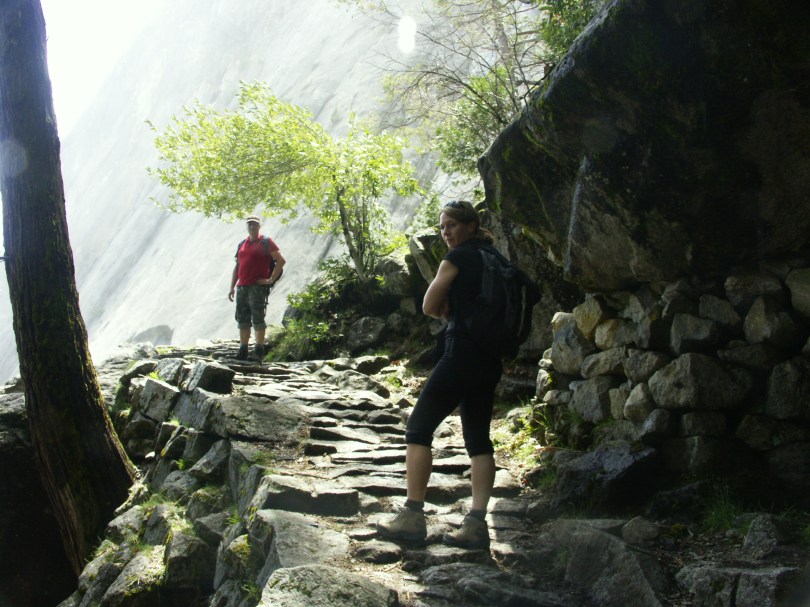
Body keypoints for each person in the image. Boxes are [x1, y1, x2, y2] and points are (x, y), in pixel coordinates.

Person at [377, 200, 503, 549]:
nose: (446, 232)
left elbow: (428, 305)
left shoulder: (458, 257)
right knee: (479, 440)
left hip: (460, 354)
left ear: (471, 225)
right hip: (490, 359)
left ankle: (412, 516)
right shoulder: (495, 258)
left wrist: (444, 312)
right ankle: (476, 524)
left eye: (452, 225)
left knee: (418, 429)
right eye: (442, 226)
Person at [228, 215, 285, 360]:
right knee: (242, 319)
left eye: (254, 224)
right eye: (249, 224)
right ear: (247, 226)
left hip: (257, 287)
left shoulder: (266, 242)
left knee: (258, 318)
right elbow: (237, 267)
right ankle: (243, 351)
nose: (252, 226)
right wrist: (232, 287)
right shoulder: (242, 244)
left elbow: (281, 260)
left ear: (259, 226)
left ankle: (259, 352)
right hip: (242, 287)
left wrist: (270, 280)